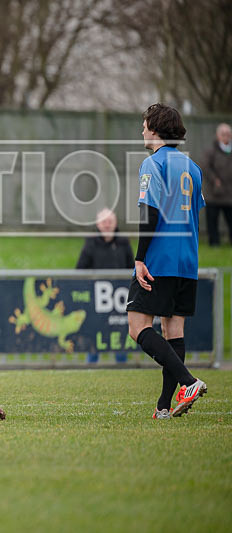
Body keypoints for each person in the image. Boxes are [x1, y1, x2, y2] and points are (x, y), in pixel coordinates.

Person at [126, 103, 208, 420]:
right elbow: (193, 212)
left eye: (145, 124)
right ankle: (164, 407)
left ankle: (187, 383)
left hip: (160, 258)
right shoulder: (193, 167)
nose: (142, 130)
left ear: (156, 129)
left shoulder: (152, 164)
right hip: (188, 260)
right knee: (173, 331)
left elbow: (150, 212)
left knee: (137, 327)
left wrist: (140, 258)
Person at [76, 208, 134, 363]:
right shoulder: (90, 243)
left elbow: (131, 268)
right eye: (104, 222)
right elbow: (80, 269)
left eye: (110, 221)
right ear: (98, 224)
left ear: (115, 223)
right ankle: (91, 363)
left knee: (120, 333)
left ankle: (122, 364)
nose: (107, 225)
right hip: (97, 299)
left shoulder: (123, 242)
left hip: (119, 299)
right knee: (94, 332)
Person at [201, 123, 232, 246]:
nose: (226, 137)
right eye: (223, 134)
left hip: (230, 194)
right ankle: (214, 243)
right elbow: (205, 167)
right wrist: (215, 180)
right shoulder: (211, 150)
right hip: (214, 193)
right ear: (218, 136)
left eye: (228, 134)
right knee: (212, 221)